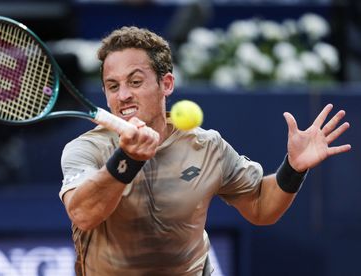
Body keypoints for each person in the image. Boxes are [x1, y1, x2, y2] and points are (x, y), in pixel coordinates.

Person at [59, 26, 351, 275]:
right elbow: (83, 214)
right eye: (112, 86)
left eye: (135, 82)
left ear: (167, 83)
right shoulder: (86, 149)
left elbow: (261, 207)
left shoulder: (207, 146)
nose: (123, 96)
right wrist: (127, 159)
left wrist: (295, 167)